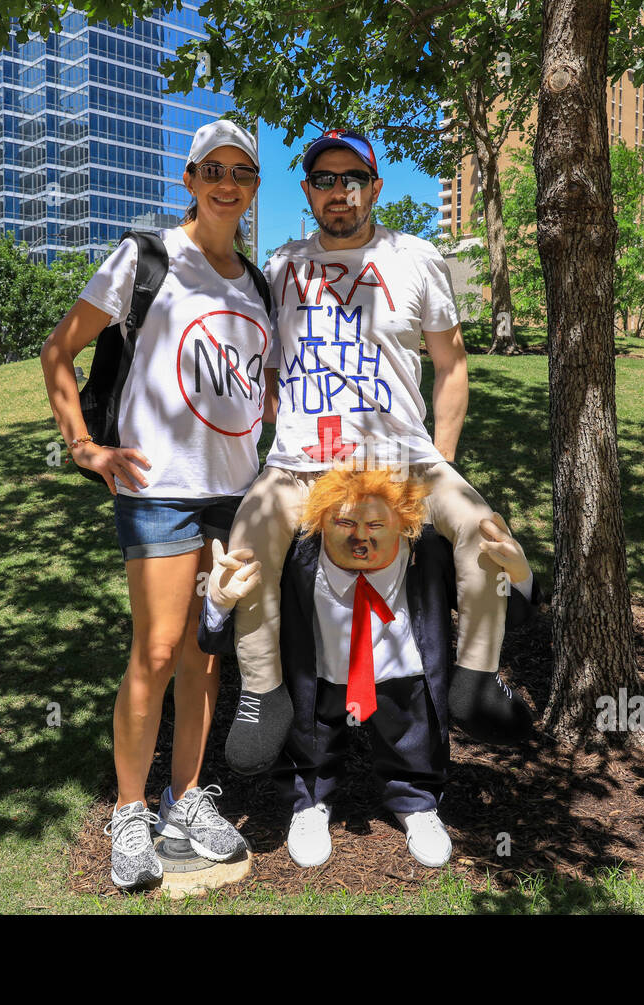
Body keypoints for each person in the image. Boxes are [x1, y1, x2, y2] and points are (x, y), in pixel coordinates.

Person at [219, 127, 534, 776]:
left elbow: (452, 366)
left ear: (375, 187)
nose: (340, 192)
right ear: (307, 191)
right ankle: (262, 693)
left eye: (352, 179)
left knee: (483, 530)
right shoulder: (279, 267)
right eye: (325, 180)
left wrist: (441, 459)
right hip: (307, 459)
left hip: (405, 454)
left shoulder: (417, 258)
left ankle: (475, 680)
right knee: (249, 535)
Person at [39, 119, 274, 889]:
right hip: (159, 490)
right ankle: (131, 811)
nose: (228, 182)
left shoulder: (256, 281)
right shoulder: (145, 257)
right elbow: (58, 350)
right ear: (190, 178)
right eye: (215, 168)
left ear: (253, 187)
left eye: (242, 171)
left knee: (206, 661)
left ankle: (183, 800)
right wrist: (83, 446)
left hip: (232, 495)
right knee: (158, 649)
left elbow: (256, 383)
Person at [198, 467, 540, 868]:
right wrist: (219, 601)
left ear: (403, 522)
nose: (361, 536)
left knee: (414, 737)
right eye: (344, 522)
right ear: (321, 522)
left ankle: (417, 800)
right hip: (323, 673)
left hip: (403, 674)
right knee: (309, 738)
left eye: (377, 524)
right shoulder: (298, 558)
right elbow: (233, 631)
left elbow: (496, 612)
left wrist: (519, 577)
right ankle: (308, 802)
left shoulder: (426, 555)